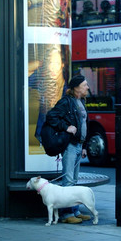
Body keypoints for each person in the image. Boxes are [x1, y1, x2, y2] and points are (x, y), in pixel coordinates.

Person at [46, 75, 91, 224]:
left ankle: (75, 211)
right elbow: (51, 116)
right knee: (68, 180)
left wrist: (84, 146)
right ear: (77, 87)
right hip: (70, 146)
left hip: (78, 145)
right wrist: (66, 127)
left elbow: (84, 124)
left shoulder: (81, 102)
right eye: (85, 85)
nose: (87, 87)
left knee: (74, 181)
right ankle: (66, 215)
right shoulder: (66, 102)